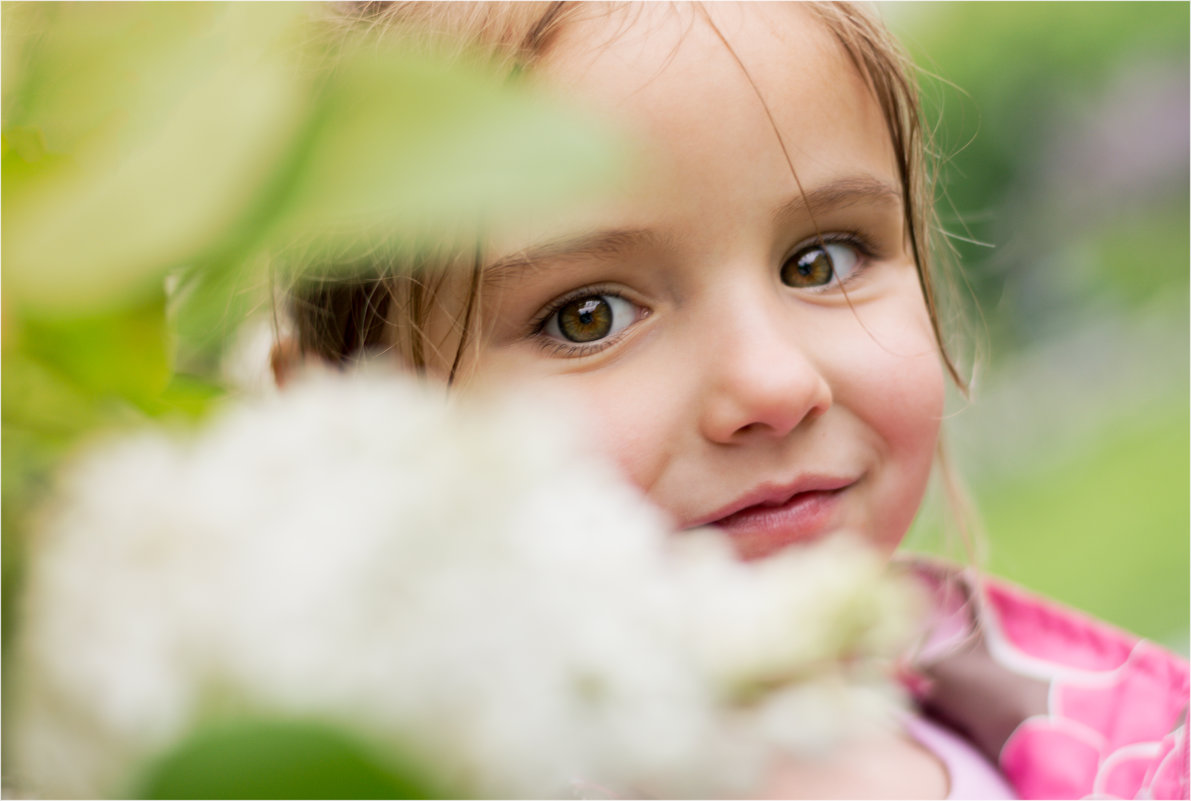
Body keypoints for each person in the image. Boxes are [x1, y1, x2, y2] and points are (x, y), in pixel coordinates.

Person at [276, 3, 1189, 797]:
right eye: (587, 316)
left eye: (821, 259)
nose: (776, 385)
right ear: (339, 425)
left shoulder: (1126, 739)